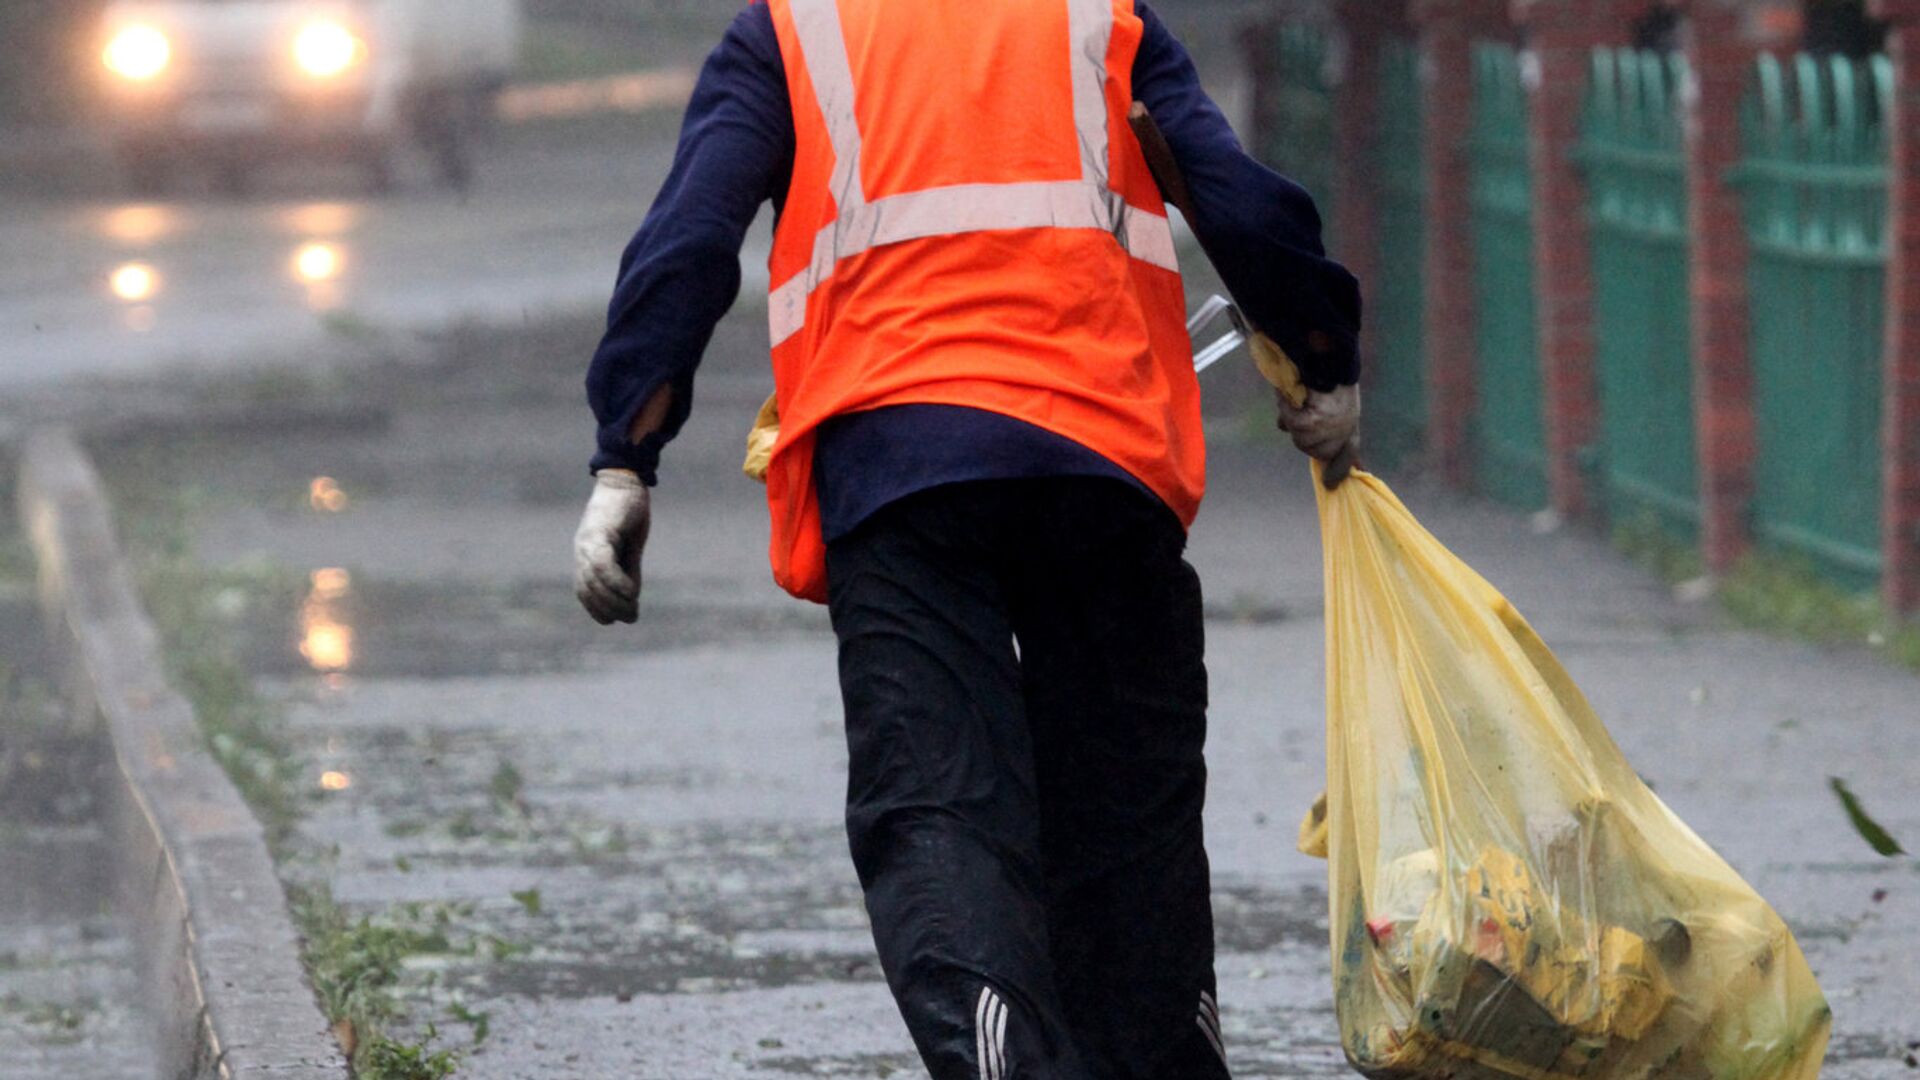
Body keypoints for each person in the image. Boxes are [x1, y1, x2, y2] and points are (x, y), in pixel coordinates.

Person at [572, 1, 1361, 1076]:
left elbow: (689, 238)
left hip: (901, 474)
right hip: (1102, 458)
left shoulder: (794, 31)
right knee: (1129, 815)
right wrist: (1320, 350)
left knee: (938, 798)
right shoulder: (1099, 16)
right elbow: (1238, 199)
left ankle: (1005, 1059)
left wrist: (628, 454)